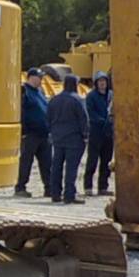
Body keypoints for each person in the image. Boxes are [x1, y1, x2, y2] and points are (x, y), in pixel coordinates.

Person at [47, 73, 90, 204]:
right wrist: (86, 136)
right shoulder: (77, 100)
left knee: (56, 167)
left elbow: (48, 118)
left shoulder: (54, 100)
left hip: (58, 138)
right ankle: (69, 195)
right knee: (71, 168)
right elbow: (84, 119)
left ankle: (55, 194)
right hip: (74, 139)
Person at [14, 69, 53, 197]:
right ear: (30, 77)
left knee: (47, 163)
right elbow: (20, 111)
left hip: (44, 134)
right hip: (30, 134)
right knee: (26, 162)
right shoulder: (24, 92)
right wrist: (23, 130)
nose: (41, 80)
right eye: (39, 77)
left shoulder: (40, 92)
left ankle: (49, 188)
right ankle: (20, 187)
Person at [84, 71, 114, 196]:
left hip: (108, 133)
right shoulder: (91, 96)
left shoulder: (111, 95)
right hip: (96, 132)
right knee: (92, 160)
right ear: (96, 83)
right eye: (100, 81)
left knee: (106, 161)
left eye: (104, 81)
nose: (102, 84)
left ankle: (103, 187)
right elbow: (90, 113)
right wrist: (102, 120)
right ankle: (88, 186)